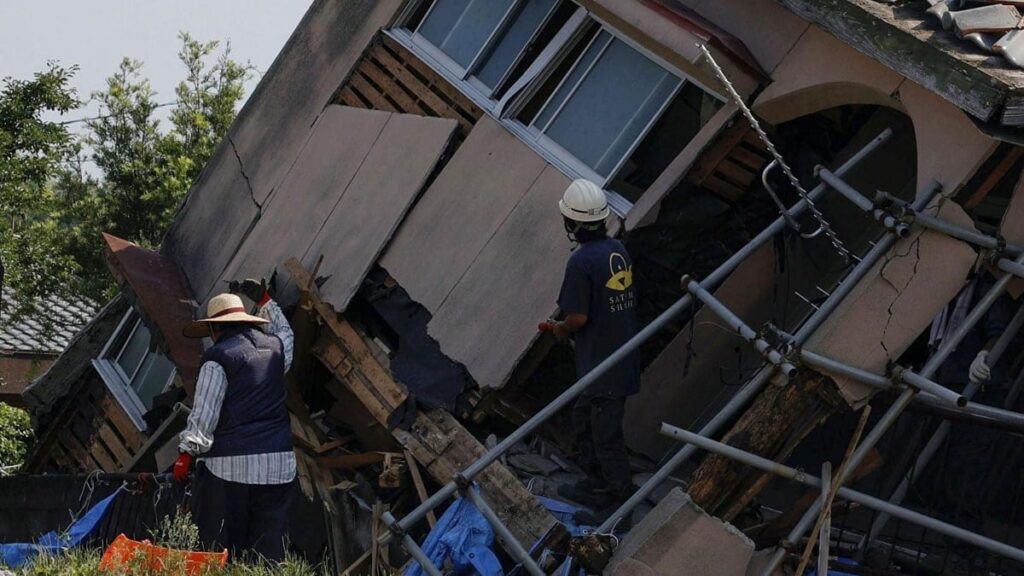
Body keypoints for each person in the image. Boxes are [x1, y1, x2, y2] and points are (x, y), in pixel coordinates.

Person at [173, 279, 296, 562]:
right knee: (270, 551)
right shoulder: (276, 350)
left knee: (221, 549)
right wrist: (266, 300)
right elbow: (286, 333)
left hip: (229, 469)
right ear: (247, 321)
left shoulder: (218, 358)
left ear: (214, 329)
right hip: (279, 465)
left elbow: (205, 414)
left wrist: (186, 454)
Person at [542, 179, 640, 521]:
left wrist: (560, 328)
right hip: (618, 357)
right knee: (583, 420)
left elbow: (579, 317)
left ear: (572, 223)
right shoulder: (617, 251)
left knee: (606, 436)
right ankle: (596, 483)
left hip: (604, 366)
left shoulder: (581, 262)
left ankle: (619, 505)